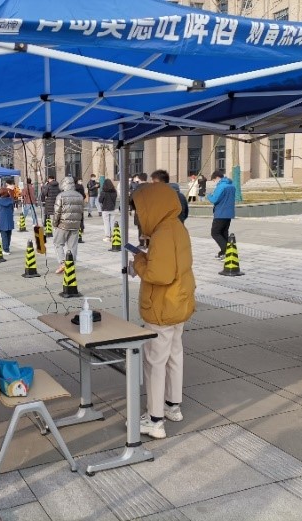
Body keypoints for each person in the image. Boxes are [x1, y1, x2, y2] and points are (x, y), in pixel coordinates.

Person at [129, 182, 195, 439]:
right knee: (175, 354)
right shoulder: (177, 226)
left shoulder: (162, 234)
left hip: (162, 307)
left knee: (155, 361)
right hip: (179, 303)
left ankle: (155, 419)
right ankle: (172, 406)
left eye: (139, 210)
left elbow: (159, 274)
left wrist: (139, 261)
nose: (138, 216)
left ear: (152, 207)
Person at [53, 176, 83, 274]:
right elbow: (81, 212)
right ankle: (71, 264)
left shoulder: (61, 196)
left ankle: (62, 262)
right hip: (75, 225)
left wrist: (55, 224)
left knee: (58, 243)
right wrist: (81, 225)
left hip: (63, 224)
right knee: (72, 246)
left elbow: (57, 212)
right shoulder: (79, 196)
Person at [207, 171, 236, 260]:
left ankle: (227, 252)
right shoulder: (232, 186)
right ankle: (224, 253)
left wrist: (208, 195)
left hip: (221, 213)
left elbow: (214, 199)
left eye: (213, 180)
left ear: (217, 178)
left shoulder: (221, 186)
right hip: (229, 213)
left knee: (215, 233)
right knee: (224, 233)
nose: (214, 182)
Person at [0, 187, 14, 255]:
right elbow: (12, 209)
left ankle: (5, 250)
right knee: (9, 234)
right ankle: (7, 248)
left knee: (4, 235)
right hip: (9, 218)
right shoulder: (11, 200)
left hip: (2, 219)